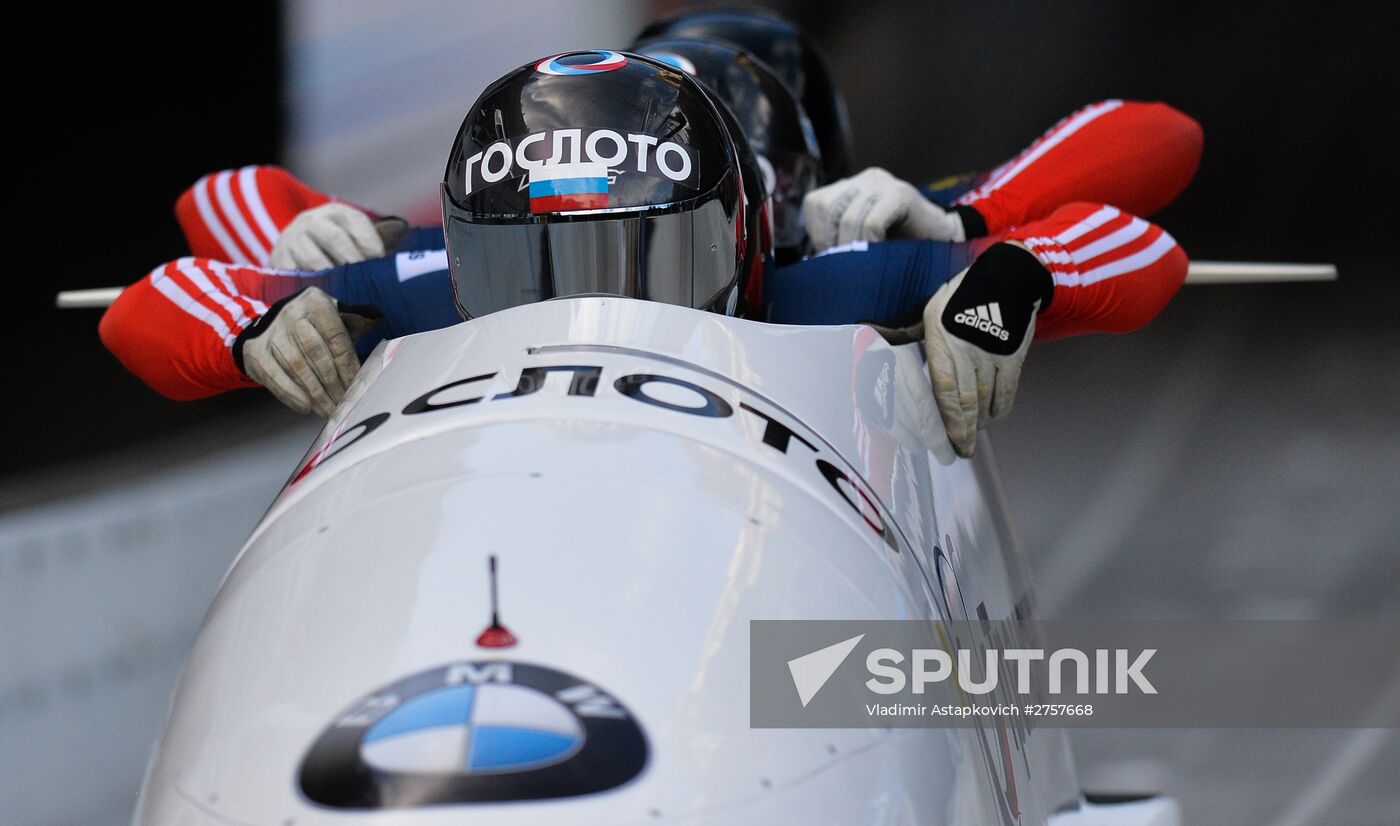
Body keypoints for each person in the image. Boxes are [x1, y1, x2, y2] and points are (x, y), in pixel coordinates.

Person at [101, 52, 1198, 456]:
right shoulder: (424, 271)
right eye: (544, 261)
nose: (588, 295)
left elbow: (1152, 184)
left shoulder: (847, 254)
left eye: (641, 252)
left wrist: (985, 248)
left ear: (759, 222)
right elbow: (192, 246)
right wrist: (265, 305)